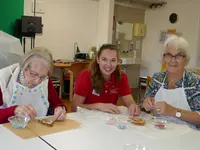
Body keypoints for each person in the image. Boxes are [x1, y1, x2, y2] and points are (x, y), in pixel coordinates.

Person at [142, 35, 200, 127]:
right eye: (168, 55)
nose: (173, 60)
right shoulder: (157, 78)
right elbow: (144, 106)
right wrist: (146, 105)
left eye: (179, 56)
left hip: (188, 135)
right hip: (159, 130)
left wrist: (173, 111)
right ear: (163, 58)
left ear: (186, 59)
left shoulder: (195, 82)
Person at [0, 47, 66, 124]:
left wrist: (60, 109)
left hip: (36, 129)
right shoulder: (4, 79)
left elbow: (57, 103)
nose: (37, 81)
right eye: (33, 74)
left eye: (42, 77)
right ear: (24, 67)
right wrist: (13, 111)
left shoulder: (45, 81)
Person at [72, 44, 140, 116]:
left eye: (113, 60)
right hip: (86, 119)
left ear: (118, 61)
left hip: (108, 120)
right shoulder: (85, 76)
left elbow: (130, 102)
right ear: (98, 59)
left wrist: (133, 106)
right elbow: (74, 107)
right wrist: (98, 106)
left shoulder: (121, 77)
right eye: (104, 59)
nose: (108, 65)